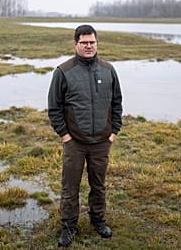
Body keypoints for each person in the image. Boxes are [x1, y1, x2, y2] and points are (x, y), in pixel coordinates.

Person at [47, 24, 123, 248]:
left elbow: (117, 102)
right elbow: (54, 107)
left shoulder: (108, 70)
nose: (89, 46)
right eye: (84, 43)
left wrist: (114, 131)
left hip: (101, 142)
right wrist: (65, 135)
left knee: (98, 185)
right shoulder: (63, 71)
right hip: (75, 143)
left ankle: (98, 221)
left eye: (92, 42)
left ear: (97, 43)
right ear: (75, 44)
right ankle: (69, 226)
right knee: (70, 187)